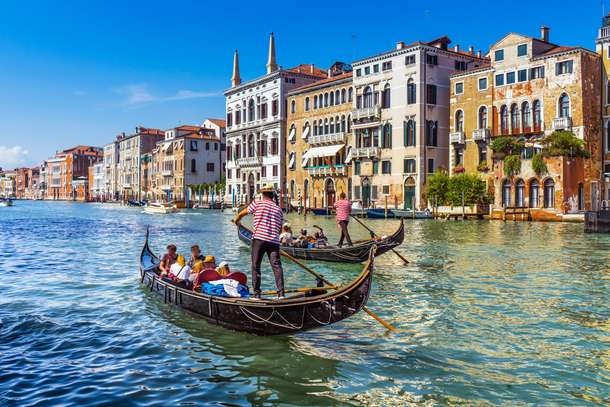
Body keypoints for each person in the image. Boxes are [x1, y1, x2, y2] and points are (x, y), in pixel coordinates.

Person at [233, 184, 285, 299]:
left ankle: (257, 294)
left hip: (259, 240)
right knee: (277, 266)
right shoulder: (279, 209)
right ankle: (281, 294)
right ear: (272, 195)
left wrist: (237, 220)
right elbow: (280, 229)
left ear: (262, 194)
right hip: (274, 241)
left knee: (256, 266)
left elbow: (242, 213)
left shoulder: (258, 203)